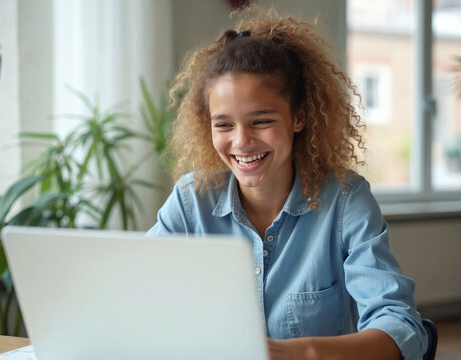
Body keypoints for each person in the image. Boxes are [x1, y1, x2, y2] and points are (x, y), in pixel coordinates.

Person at [147, 8, 427, 360]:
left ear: (299, 117)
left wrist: (299, 353)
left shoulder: (344, 200)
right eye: (224, 125)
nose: (242, 141)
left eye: (260, 121)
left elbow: (401, 328)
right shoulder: (191, 202)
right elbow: (138, 299)